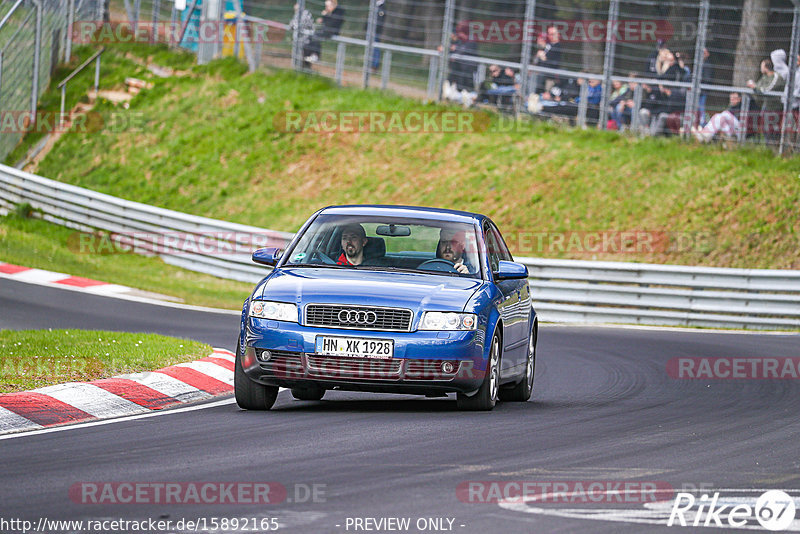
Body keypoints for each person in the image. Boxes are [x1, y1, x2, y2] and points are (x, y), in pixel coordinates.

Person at [747, 58, 785, 145]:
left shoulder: (776, 77)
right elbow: (759, 86)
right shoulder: (765, 77)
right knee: (765, 128)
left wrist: (754, 87)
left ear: (766, 67)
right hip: (767, 106)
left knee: (772, 129)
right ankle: (768, 148)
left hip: (775, 108)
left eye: (762, 66)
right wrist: (755, 86)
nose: (761, 68)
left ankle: (775, 148)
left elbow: (767, 90)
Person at [289, 3, 315, 69]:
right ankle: (298, 68)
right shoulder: (298, 13)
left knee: (303, 57)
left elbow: (295, 26)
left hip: (305, 40)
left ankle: (303, 69)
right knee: (298, 56)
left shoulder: (304, 14)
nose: (295, 6)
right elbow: (291, 26)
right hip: (300, 39)